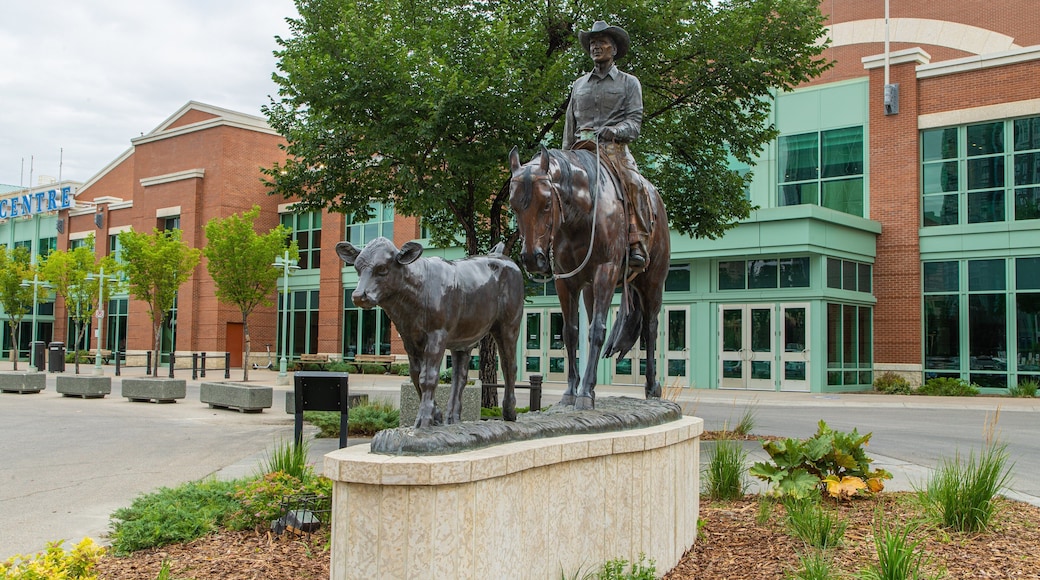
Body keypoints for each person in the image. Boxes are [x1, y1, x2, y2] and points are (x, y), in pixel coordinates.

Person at [563, 20, 652, 272]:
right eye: (592, 43)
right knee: (550, 188)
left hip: (613, 150)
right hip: (580, 152)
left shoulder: (629, 83)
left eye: (601, 42)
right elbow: (569, 126)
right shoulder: (578, 85)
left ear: (614, 49)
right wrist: (564, 155)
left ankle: (636, 240)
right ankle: (549, 247)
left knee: (634, 184)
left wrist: (613, 131)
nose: (596, 47)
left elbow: (634, 124)